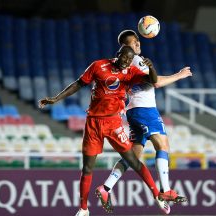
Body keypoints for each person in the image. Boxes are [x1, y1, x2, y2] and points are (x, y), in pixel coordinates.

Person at [39, 46, 176, 216]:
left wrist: (152, 67)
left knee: (133, 160)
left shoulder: (131, 72)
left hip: (114, 123)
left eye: (129, 59)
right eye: (124, 58)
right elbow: (78, 84)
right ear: (117, 56)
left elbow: (152, 81)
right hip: (93, 123)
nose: (126, 62)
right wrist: (55, 98)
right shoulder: (98, 66)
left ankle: (157, 195)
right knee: (88, 168)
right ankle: (83, 209)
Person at [97, 30, 192, 214]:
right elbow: (155, 82)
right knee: (162, 144)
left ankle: (106, 188)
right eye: (133, 42)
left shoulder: (124, 62)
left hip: (134, 111)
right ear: (125, 46)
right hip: (145, 110)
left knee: (133, 155)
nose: (138, 44)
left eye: (138, 40)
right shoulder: (136, 60)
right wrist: (179, 75)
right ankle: (165, 191)